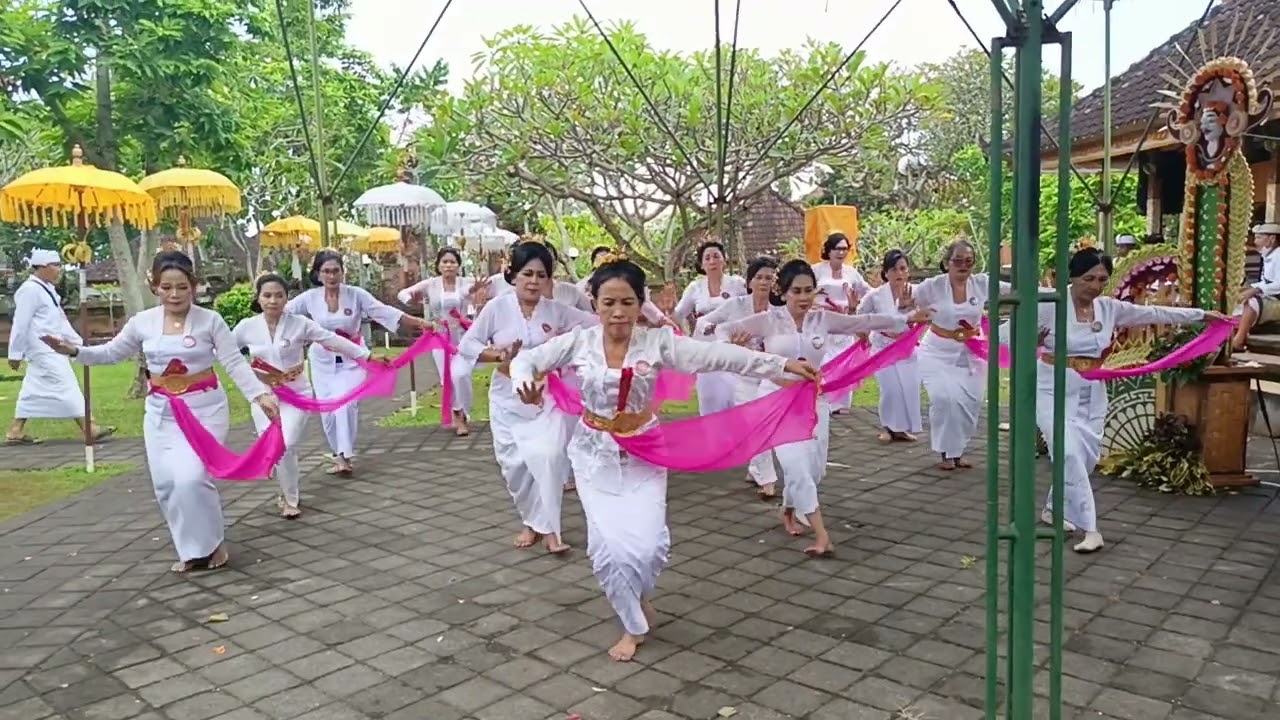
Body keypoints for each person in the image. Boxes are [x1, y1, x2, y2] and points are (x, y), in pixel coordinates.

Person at [509, 253, 820, 661]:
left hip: (645, 451)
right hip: (592, 455)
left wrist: (780, 364)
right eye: (608, 303)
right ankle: (632, 623)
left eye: (627, 303)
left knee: (649, 547)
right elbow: (527, 359)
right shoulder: (579, 342)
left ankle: (638, 593)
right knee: (608, 548)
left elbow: (720, 356)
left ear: (640, 304)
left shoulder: (657, 343)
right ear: (595, 304)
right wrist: (523, 380)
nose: (618, 312)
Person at [42, 251, 279, 572]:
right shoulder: (143, 322)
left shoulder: (210, 321)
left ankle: (213, 545)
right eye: (167, 287)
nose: (175, 294)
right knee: (167, 484)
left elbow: (234, 363)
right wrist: (73, 350)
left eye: (182, 287)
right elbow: (111, 353)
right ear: (155, 286)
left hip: (204, 409)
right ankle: (193, 551)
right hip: (161, 413)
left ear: (194, 286)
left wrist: (259, 395)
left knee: (191, 478)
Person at [717, 260, 930, 556]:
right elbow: (719, 332)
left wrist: (906, 317)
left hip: (814, 402)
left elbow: (866, 322)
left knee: (814, 469)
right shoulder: (768, 320)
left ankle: (789, 509)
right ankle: (822, 535)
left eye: (809, 291)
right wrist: (738, 346)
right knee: (797, 467)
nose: (803, 298)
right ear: (782, 291)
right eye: (796, 291)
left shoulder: (822, 319)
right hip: (776, 402)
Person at [1028, 248, 1221, 553]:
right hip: (1050, 386)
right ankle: (1091, 529)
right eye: (1088, 278)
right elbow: (1008, 332)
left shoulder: (1108, 308)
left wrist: (1202, 315)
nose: (1094, 285)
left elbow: (1156, 313)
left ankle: (1054, 508)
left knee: (1085, 457)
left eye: (1101, 279)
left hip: (1091, 389)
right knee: (1067, 453)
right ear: (1072, 277)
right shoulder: (1050, 305)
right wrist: (1027, 339)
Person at [458, 241, 598, 554]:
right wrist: (498, 355)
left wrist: (627, 315)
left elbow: (594, 325)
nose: (534, 281)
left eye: (541, 275)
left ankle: (551, 531)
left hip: (544, 397)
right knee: (515, 465)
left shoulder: (557, 311)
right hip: (506, 397)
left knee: (549, 458)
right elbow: (468, 345)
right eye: (527, 274)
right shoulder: (497, 308)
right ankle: (531, 520)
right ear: (513, 275)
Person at [235, 273, 372, 518]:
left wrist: (366, 356)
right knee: (272, 446)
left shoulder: (299, 323)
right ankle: (285, 491)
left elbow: (332, 340)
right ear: (258, 298)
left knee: (285, 444)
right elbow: (227, 353)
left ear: (287, 298)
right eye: (267, 295)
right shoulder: (246, 327)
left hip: (296, 394)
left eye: (279, 295)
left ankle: (290, 499)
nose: (273, 301)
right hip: (263, 395)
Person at [286, 249, 430, 475]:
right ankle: (337, 453)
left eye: (336, 271)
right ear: (318, 274)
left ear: (343, 272)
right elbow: (282, 314)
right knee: (329, 411)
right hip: (322, 361)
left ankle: (346, 455)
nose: (331, 276)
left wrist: (418, 322)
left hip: (354, 359)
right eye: (326, 271)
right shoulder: (309, 298)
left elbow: (384, 312)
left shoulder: (356, 295)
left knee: (346, 404)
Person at [913, 240, 1010, 471]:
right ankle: (945, 453)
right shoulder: (932, 286)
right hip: (936, 351)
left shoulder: (982, 283)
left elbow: (1016, 289)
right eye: (958, 260)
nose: (963, 265)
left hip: (972, 352)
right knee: (945, 399)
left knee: (969, 402)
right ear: (947, 263)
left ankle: (958, 452)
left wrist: (1053, 290)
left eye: (968, 261)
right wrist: (909, 307)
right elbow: (906, 304)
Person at [694, 255, 781, 497]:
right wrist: (725, 340)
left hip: (771, 375)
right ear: (750, 281)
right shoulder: (735, 306)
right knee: (756, 421)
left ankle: (756, 468)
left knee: (768, 423)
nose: (764, 282)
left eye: (769, 277)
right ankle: (767, 480)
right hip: (742, 373)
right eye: (759, 277)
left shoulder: (778, 311)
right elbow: (704, 323)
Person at [6, 248, 112, 444]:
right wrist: (15, 353)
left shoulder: (48, 290)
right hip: (41, 348)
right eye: (55, 265)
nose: (58, 270)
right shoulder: (29, 291)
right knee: (66, 383)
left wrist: (78, 343)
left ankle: (15, 429)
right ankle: (90, 427)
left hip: (54, 346)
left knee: (32, 388)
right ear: (42, 268)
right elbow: (21, 323)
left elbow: (59, 321)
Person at [397, 247, 485, 436]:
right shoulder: (431, 284)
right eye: (444, 261)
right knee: (447, 378)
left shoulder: (466, 283)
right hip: (439, 337)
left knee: (461, 375)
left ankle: (464, 411)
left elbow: (488, 287)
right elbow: (403, 294)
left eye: (452, 261)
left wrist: (478, 290)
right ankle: (457, 414)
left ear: (458, 265)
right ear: (438, 265)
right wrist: (412, 300)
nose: (448, 265)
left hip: (462, 337)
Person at [672, 241, 747, 415]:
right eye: (707, 258)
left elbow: (753, 307)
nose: (712, 261)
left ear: (724, 260)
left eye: (716, 256)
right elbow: (677, 316)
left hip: (733, 349)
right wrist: (667, 310)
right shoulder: (694, 288)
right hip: (706, 353)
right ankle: (714, 439)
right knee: (710, 402)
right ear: (701, 264)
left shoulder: (737, 284)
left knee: (737, 400)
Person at [856, 249, 923, 443]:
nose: (899, 274)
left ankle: (900, 429)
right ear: (886, 273)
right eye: (894, 269)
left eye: (903, 269)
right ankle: (887, 427)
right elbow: (860, 318)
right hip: (883, 348)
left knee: (908, 388)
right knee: (890, 389)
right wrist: (863, 336)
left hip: (907, 348)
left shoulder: (916, 292)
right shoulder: (875, 296)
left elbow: (929, 312)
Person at [812, 232, 873, 415]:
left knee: (845, 361)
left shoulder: (851, 272)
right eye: (837, 249)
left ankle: (841, 403)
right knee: (825, 359)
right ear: (828, 250)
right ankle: (824, 399)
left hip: (845, 322)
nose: (841, 253)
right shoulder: (816, 270)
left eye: (845, 249)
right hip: (823, 321)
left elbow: (868, 292)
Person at [1232, 222, 1280, 350]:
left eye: (1259, 237)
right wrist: (1246, 289)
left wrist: (1255, 289)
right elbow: (1266, 281)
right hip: (1271, 296)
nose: (1255, 241)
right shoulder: (1269, 256)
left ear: (1272, 239)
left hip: (1277, 300)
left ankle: (1239, 340)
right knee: (1236, 298)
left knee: (1252, 301)